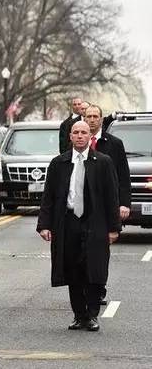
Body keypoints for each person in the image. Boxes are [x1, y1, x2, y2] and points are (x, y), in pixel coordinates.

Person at [37, 121, 120, 332]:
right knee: (73, 269)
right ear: (71, 137)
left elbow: (112, 197)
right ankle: (79, 315)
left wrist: (113, 228)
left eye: (84, 132)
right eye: (76, 132)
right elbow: (49, 197)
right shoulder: (59, 163)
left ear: (90, 136)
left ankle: (92, 315)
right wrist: (44, 225)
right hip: (69, 221)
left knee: (95, 269)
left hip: (96, 222)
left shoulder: (103, 162)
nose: (80, 136)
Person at [84, 104, 131, 304]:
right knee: (80, 249)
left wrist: (124, 204)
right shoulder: (77, 142)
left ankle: (99, 287)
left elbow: (123, 176)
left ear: (101, 119)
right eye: (89, 116)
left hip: (104, 207)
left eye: (95, 116)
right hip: (80, 205)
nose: (92, 120)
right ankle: (85, 288)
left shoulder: (114, 144)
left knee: (100, 251)